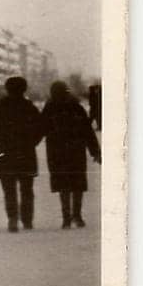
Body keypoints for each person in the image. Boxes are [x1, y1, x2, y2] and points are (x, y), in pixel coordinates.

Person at [0, 76, 45, 232]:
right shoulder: (29, 107)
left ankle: (12, 218)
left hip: (5, 152)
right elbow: (40, 128)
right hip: (25, 152)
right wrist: (31, 143)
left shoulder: (0, 107)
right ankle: (27, 220)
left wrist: (1, 142)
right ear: (24, 89)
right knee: (27, 188)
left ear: (7, 89)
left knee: (9, 189)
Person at [42, 81, 102, 228]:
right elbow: (88, 132)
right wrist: (95, 151)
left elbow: (40, 128)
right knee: (77, 183)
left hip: (57, 151)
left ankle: (67, 217)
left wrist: (28, 143)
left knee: (63, 184)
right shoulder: (76, 107)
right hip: (76, 150)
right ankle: (77, 215)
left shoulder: (50, 108)